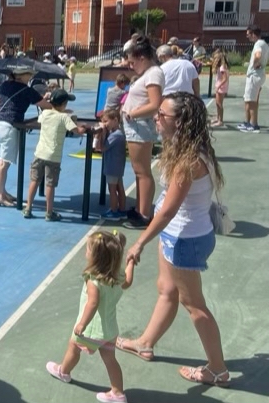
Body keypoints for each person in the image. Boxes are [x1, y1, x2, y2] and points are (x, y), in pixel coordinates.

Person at [116, 92, 229, 388]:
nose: (156, 117)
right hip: (179, 235)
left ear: (180, 123)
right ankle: (146, 343)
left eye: (162, 115)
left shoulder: (187, 161)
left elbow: (167, 212)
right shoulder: (185, 148)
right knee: (167, 289)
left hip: (184, 238)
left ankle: (217, 369)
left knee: (195, 306)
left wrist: (139, 243)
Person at [47, 231, 135, 403]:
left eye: (88, 250)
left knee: (73, 346)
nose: (85, 252)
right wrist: (130, 263)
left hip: (91, 330)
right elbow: (128, 282)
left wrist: (82, 324)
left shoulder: (93, 280)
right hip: (110, 330)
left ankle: (63, 371)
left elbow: (92, 303)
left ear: (96, 257)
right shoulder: (117, 276)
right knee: (110, 358)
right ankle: (118, 393)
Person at [0, 69, 52, 206]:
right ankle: (0, 196)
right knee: (3, 163)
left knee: (0, 161)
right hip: (8, 126)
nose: (31, 76)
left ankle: (1, 191)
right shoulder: (26, 90)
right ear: (22, 75)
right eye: (29, 74)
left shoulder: (5, 85)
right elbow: (45, 105)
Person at [23, 89, 88, 221]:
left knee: (34, 181)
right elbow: (77, 131)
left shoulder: (45, 113)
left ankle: (28, 208)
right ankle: (49, 212)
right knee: (50, 184)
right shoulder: (64, 118)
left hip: (39, 153)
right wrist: (84, 127)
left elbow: (45, 118)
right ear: (63, 104)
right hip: (53, 156)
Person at [121, 37, 164, 227]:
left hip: (140, 127)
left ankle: (144, 214)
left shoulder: (153, 74)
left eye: (132, 62)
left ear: (141, 57)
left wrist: (132, 113)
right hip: (136, 127)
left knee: (143, 172)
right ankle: (141, 208)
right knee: (139, 172)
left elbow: (155, 104)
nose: (131, 66)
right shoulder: (149, 73)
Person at [239, 25, 269, 133]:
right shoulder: (264, 44)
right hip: (258, 75)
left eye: (248, 34)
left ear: (253, 34)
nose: (247, 37)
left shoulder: (258, 44)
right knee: (250, 99)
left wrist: (256, 64)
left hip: (254, 75)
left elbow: (258, 55)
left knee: (251, 100)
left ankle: (253, 124)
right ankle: (249, 122)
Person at [100, 109, 127, 220]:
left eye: (106, 121)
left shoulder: (115, 135)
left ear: (115, 120)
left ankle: (114, 211)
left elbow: (102, 147)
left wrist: (102, 134)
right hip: (118, 165)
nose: (105, 124)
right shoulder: (119, 133)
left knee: (112, 189)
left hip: (112, 166)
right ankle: (122, 210)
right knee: (119, 188)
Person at [210, 50, 229, 128]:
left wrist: (219, 86)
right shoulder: (221, 67)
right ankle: (218, 118)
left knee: (219, 104)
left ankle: (220, 121)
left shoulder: (222, 68)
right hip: (220, 86)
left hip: (221, 87)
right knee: (217, 103)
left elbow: (225, 78)